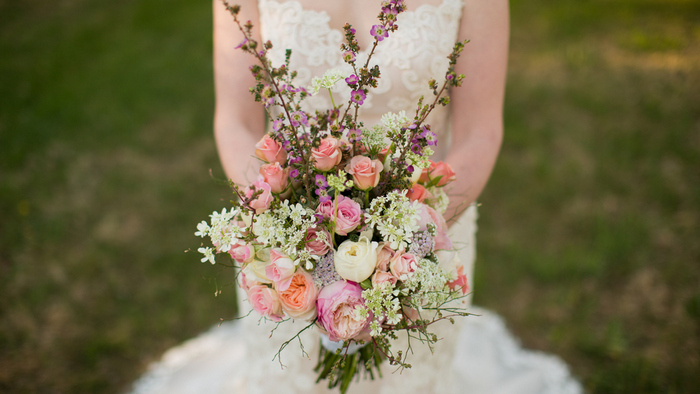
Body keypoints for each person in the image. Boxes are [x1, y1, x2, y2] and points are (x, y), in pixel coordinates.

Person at [129, 1, 583, 393]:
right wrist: (288, 229)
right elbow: (237, 123)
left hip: (423, 247)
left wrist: (405, 240)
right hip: (286, 256)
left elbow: (479, 131)